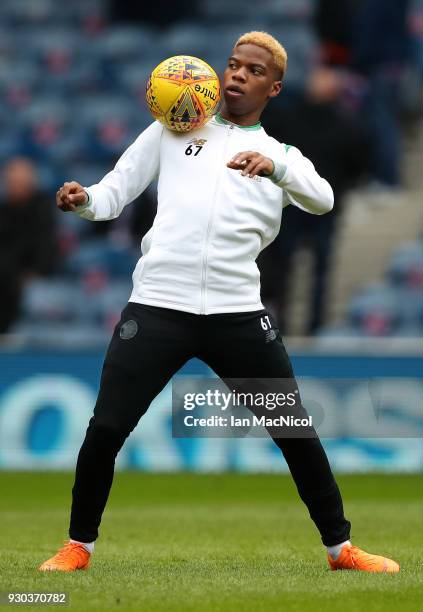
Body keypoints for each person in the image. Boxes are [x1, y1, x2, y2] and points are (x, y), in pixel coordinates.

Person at [38, 32, 399, 573]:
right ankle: (77, 548)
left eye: (252, 70)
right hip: (158, 305)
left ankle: (341, 549)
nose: (236, 75)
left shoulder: (282, 155)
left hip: (237, 315)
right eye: (232, 64)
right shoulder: (171, 129)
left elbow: (323, 199)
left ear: (273, 87)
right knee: (107, 427)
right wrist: (84, 199)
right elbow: (114, 192)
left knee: (294, 431)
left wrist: (274, 167)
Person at [259, 66, 370, 334]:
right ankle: (281, 324)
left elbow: (358, 162)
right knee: (283, 266)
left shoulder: (346, 122)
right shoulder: (289, 115)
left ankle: (316, 326)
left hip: (325, 210)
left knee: (321, 267)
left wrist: (339, 190)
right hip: (290, 207)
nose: (319, 83)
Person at [0, 157, 57, 333]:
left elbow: (46, 248)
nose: (14, 186)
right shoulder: (4, 210)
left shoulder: (43, 209)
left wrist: (33, 273)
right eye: (11, 182)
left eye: (19, 182)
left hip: (31, 275)